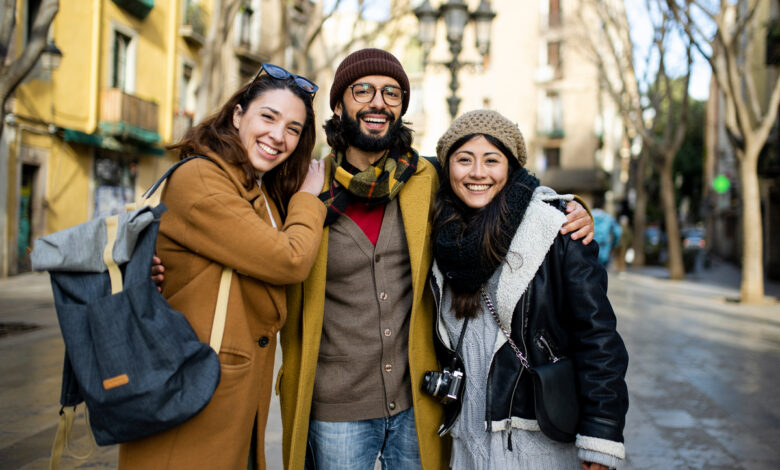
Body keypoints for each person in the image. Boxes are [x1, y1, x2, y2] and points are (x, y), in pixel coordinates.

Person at [277, 49, 596, 470]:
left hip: (419, 402)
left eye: (392, 93)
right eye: (363, 90)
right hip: (336, 407)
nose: (378, 102)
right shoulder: (305, 187)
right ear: (339, 105)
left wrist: (565, 207)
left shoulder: (424, 178)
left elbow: (495, 184)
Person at [122, 64, 327, 470]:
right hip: (192, 389)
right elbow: (288, 259)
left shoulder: (257, 188)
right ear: (237, 115)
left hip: (226, 393)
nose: (278, 136)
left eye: (293, 128)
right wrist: (308, 199)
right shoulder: (201, 177)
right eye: (268, 117)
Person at [428, 110, 629, 470]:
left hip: (536, 442)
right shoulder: (439, 231)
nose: (477, 172)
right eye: (464, 159)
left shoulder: (556, 227)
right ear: (447, 167)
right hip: (466, 445)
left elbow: (597, 337)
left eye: (492, 160)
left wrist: (601, 436)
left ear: (511, 166)